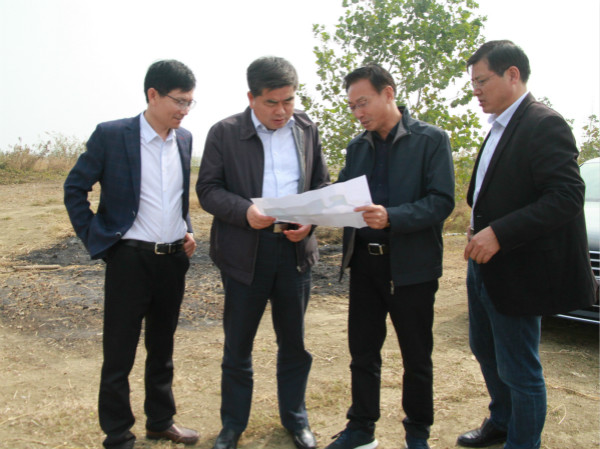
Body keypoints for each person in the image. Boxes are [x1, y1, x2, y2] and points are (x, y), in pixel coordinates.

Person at [457, 40, 597, 449]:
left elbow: (566, 196)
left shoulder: (543, 123)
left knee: (520, 369)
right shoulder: (499, 127)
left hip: (519, 268)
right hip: (483, 264)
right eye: (473, 83)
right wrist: (478, 228)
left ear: (513, 74)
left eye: (482, 81)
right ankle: (502, 421)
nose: (475, 91)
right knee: (484, 348)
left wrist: (499, 232)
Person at [64, 59, 200, 449]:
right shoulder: (112, 135)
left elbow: (174, 197)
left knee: (163, 348)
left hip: (172, 261)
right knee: (119, 352)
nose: (185, 110)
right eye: (179, 101)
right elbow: (75, 188)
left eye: (190, 102)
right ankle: (118, 433)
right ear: (153, 95)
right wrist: (100, 239)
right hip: (129, 260)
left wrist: (187, 229)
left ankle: (161, 421)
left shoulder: (184, 139)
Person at [196, 56, 330, 449]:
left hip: (294, 252)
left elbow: (320, 184)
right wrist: (245, 212)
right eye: (272, 102)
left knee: (295, 344)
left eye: (289, 100)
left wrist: (310, 221)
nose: (282, 111)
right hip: (244, 254)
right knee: (238, 345)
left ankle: (296, 420)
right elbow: (208, 190)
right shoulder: (224, 133)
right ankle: (232, 426)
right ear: (251, 97)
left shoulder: (306, 128)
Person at [326, 64, 455, 449]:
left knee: (417, 357)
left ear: (388, 93)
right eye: (352, 106)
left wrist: (392, 217)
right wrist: (312, 212)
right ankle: (361, 428)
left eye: (363, 102)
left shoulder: (431, 140)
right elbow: (342, 196)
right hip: (365, 265)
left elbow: (441, 201)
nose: (357, 112)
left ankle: (417, 433)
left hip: (411, 268)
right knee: (363, 353)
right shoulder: (357, 147)